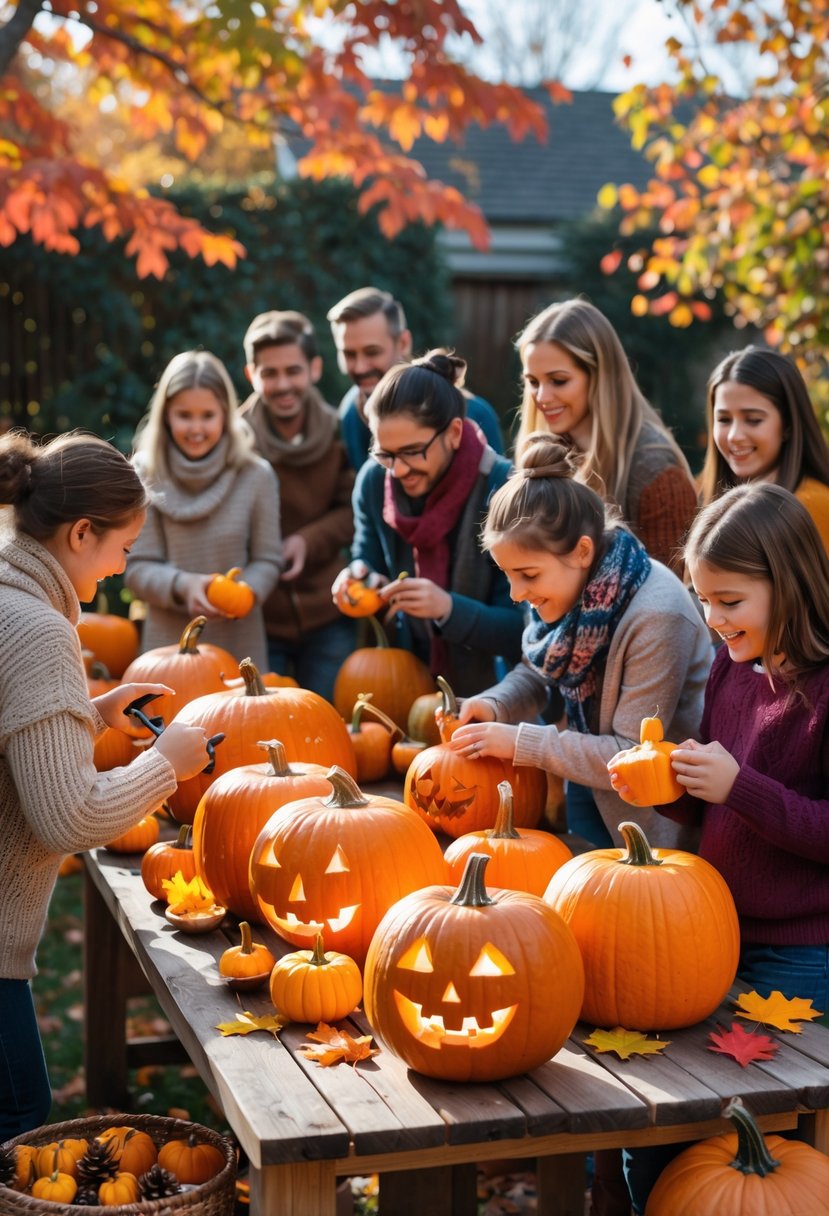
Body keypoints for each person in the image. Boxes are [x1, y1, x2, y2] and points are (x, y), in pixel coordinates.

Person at [610, 482, 829, 1214]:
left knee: (754, 1146)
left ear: (787, 583)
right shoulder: (735, 666)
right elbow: (718, 795)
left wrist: (739, 787)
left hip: (800, 954)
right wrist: (667, 786)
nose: (712, 618)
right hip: (711, 936)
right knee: (648, 1122)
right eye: (704, 598)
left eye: (729, 600)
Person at [0, 430, 211, 1140]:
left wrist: (87, 714)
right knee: (19, 1111)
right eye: (122, 547)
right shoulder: (35, 628)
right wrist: (167, 764)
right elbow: (67, 818)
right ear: (82, 532)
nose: (122, 568)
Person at [450, 433, 712, 850]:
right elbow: (540, 669)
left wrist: (520, 742)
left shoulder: (658, 615)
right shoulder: (565, 586)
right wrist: (497, 703)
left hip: (659, 820)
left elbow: (632, 751)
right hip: (590, 783)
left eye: (528, 576)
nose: (517, 594)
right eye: (508, 574)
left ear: (582, 551)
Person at [333, 350, 522, 697]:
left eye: (412, 451)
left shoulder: (504, 490)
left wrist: (448, 609)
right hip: (405, 685)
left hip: (498, 696)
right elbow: (368, 554)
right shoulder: (375, 481)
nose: (399, 470)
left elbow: (523, 630)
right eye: (386, 454)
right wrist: (361, 575)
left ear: (453, 432)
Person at [125, 350, 282, 670]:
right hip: (167, 652)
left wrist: (243, 594)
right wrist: (184, 586)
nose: (196, 428)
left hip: (240, 645)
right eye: (184, 415)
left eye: (207, 415)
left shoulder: (256, 475)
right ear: (166, 414)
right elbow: (137, 568)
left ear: (226, 414)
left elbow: (267, 559)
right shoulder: (143, 472)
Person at [515, 297, 697, 571]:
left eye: (558, 381)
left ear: (599, 376)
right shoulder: (546, 454)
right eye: (533, 382)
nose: (541, 396)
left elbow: (668, 604)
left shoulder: (658, 475)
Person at [240, 310, 356, 699]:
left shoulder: (339, 431)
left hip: (327, 612)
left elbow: (353, 510)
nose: (283, 384)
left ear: (315, 368)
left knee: (329, 721)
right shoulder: (235, 440)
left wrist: (307, 540)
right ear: (251, 375)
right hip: (258, 618)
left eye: (293, 370)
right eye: (269, 373)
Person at [327, 285, 504, 469]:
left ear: (403, 343)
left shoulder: (473, 413)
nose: (360, 367)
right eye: (349, 355)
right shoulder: (350, 412)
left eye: (372, 352)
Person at [699, 345, 829, 550]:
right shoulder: (706, 499)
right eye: (724, 420)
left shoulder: (813, 506)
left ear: (788, 424)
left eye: (753, 420)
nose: (734, 436)